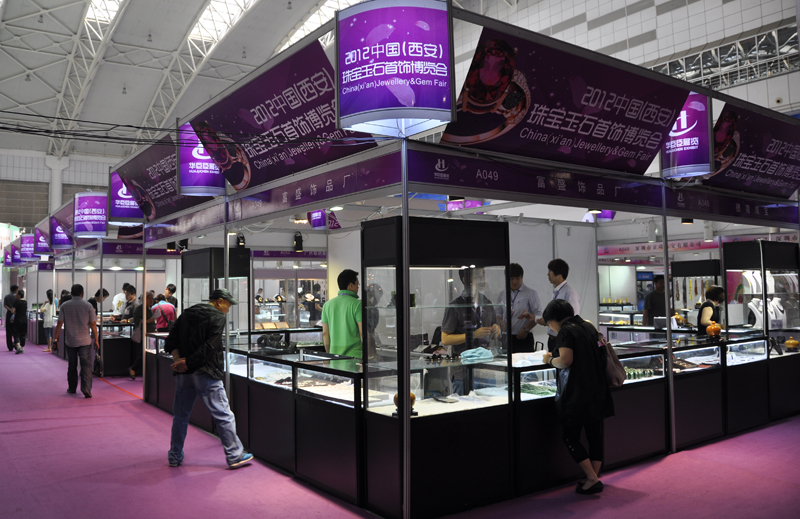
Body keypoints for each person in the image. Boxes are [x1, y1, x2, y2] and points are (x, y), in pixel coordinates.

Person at [164, 288, 252, 469]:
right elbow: (209, 348)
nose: (228, 308)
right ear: (219, 301)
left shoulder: (187, 313)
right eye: (227, 304)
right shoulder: (217, 317)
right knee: (223, 414)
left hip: (184, 373)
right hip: (206, 372)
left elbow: (171, 340)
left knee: (180, 416)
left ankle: (174, 455)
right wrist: (188, 362)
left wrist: (179, 361)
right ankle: (235, 455)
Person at [541, 299, 614, 495]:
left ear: (554, 319)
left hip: (577, 393)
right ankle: (594, 477)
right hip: (597, 389)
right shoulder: (589, 326)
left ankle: (592, 478)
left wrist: (549, 360)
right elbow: (603, 348)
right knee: (594, 436)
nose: (550, 327)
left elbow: (565, 361)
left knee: (570, 437)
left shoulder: (566, 331)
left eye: (549, 323)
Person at [441, 267, 502, 395]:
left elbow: (495, 330)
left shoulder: (487, 302)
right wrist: (473, 335)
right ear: (465, 279)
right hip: (463, 371)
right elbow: (445, 339)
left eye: (483, 275)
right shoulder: (455, 306)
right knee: (465, 405)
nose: (482, 280)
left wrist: (496, 330)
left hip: (486, 369)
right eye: (477, 276)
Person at [53, 284, 99, 398]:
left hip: (71, 340)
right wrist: (96, 340)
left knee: (72, 364)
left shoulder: (64, 305)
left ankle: (72, 387)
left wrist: (55, 339)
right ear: (82, 293)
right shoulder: (88, 305)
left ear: (71, 293)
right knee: (86, 365)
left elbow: (60, 323)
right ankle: (86, 389)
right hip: (85, 340)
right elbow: (93, 324)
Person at [537, 259, 581, 352]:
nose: (548, 274)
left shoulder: (569, 293)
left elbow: (573, 319)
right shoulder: (556, 292)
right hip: (553, 339)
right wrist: (546, 321)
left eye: (550, 271)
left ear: (559, 273)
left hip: (562, 340)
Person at [498, 263, 542, 352]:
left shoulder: (530, 293)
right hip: (506, 336)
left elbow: (538, 315)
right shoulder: (502, 294)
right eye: (511, 279)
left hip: (524, 336)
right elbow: (498, 312)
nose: (515, 282)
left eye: (518, 278)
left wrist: (526, 329)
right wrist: (500, 322)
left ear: (522, 277)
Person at [321, 269, 363, 358]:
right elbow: (362, 332)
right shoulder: (358, 304)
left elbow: (325, 334)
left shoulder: (327, 305)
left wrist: (329, 354)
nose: (358, 287)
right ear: (351, 285)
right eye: (357, 284)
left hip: (335, 356)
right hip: (355, 357)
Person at [129, 292, 157, 380]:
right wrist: (148, 321)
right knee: (143, 353)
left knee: (147, 353)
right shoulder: (139, 309)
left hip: (150, 333)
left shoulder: (150, 309)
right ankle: (133, 368)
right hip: (142, 334)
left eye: (152, 299)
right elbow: (136, 320)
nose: (151, 301)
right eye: (149, 299)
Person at [12, 289, 28, 354]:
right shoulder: (25, 302)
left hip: (18, 319)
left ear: (19, 295)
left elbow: (13, 311)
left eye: (17, 294)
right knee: (23, 333)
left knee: (16, 333)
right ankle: (22, 347)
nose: (16, 295)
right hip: (24, 319)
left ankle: (18, 347)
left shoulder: (16, 302)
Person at [4, 284, 19, 352]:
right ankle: (16, 344)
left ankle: (10, 346)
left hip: (9, 314)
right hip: (16, 314)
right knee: (16, 330)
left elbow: (5, 305)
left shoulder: (6, 296)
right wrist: (14, 311)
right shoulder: (17, 297)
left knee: (8, 330)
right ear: (16, 290)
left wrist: (10, 310)